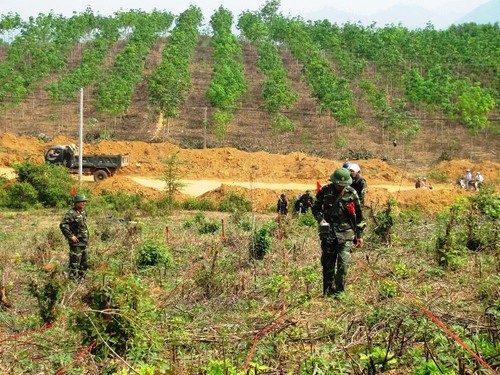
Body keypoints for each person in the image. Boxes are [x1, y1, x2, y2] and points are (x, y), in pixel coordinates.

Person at [312, 168, 366, 297]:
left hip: (346, 234)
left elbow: (359, 216)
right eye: (338, 184)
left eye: (343, 185)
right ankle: (327, 292)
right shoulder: (324, 191)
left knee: (343, 264)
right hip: (328, 233)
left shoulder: (352, 193)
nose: (340, 187)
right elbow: (316, 209)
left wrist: (360, 236)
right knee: (327, 264)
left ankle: (340, 292)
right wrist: (321, 220)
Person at [60, 193, 89, 280]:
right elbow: (63, 225)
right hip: (76, 243)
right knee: (75, 262)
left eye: (84, 202)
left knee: (84, 262)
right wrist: (71, 236)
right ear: (76, 203)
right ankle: (73, 280)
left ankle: (82, 279)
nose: (84, 203)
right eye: (82, 202)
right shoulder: (71, 213)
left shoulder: (83, 212)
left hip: (84, 242)